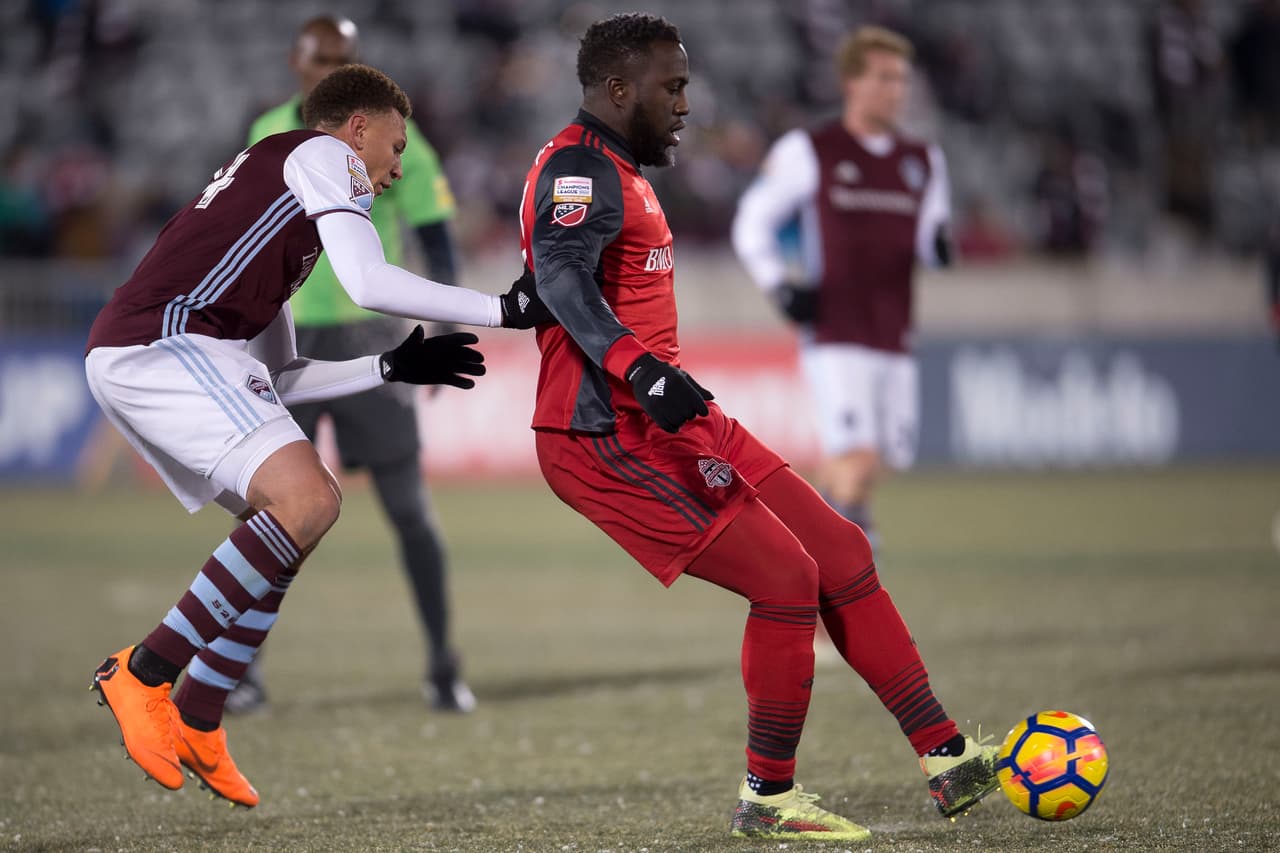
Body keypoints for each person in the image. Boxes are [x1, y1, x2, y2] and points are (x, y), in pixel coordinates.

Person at [521, 13, 996, 841]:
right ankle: (769, 794)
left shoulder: (619, 171)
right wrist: (636, 366)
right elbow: (558, 277)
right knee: (785, 578)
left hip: (676, 413)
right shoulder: (578, 167)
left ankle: (946, 753)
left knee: (841, 549)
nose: (684, 105)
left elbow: (552, 277)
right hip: (604, 433)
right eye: (671, 87)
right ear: (618, 89)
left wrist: (657, 379)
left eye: (686, 87)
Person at [85, 63, 546, 808]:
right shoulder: (321, 155)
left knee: (298, 511)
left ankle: (202, 712)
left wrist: (389, 363)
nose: (397, 170)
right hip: (163, 347)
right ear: (356, 127)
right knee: (306, 501)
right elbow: (369, 282)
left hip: (167, 350)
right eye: (395, 149)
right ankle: (142, 673)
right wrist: (503, 307)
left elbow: (282, 377)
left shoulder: (280, 224)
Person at [226, 15, 474, 716]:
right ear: (295, 61)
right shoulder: (267, 131)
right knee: (268, 510)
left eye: (342, 58)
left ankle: (443, 663)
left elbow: (434, 234)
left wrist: (446, 325)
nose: (327, 68)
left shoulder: (402, 139)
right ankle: (241, 670)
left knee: (408, 508)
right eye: (318, 58)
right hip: (284, 333)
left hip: (371, 335)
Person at [732, 25, 953, 549]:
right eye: (883, 78)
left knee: (884, 457)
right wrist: (781, 287)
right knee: (856, 459)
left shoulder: (924, 162)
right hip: (834, 329)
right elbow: (751, 221)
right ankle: (843, 586)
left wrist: (939, 249)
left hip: (894, 330)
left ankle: (806, 540)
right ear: (851, 82)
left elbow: (929, 240)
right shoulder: (812, 150)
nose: (895, 90)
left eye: (901, 79)